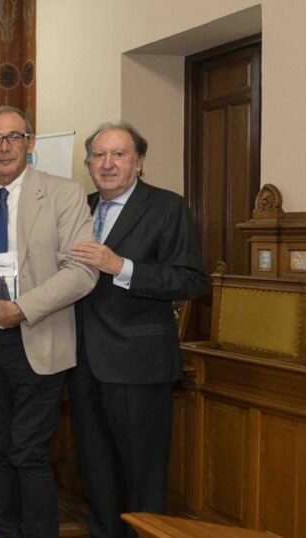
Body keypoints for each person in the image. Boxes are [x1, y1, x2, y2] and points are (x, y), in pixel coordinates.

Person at [0, 106, 97, 538]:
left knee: (27, 451)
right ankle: (4, 533)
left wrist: (22, 308)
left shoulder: (65, 194)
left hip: (37, 337)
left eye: (13, 137)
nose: (4, 147)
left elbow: (82, 271)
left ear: (30, 142)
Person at [68, 123, 207, 538]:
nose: (107, 163)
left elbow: (191, 281)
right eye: (98, 155)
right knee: (95, 468)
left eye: (119, 154)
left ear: (139, 162)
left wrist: (122, 267)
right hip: (81, 362)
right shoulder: (80, 207)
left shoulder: (167, 207)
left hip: (138, 365)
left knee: (142, 475)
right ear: (89, 164)